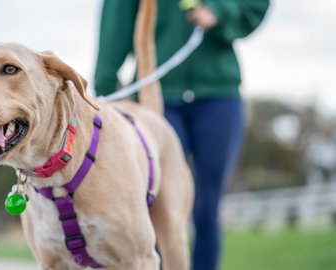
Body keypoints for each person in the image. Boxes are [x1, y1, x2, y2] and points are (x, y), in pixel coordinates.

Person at [94, 0, 269, 269]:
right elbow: (114, 28)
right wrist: (104, 93)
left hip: (218, 96)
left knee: (207, 208)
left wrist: (221, 11)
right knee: (153, 204)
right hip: (154, 98)